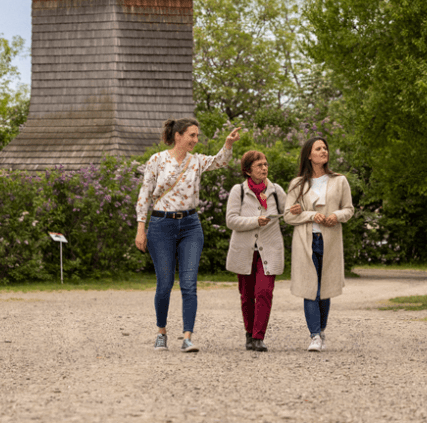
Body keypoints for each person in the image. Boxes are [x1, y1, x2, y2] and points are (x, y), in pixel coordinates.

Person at [135, 118, 241, 353]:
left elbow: (219, 161)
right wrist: (141, 227)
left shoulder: (197, 161)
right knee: (164, 284)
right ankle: (161, 332)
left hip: (191, 226)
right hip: (161, 225)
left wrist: (228, 144)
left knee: (189, 284)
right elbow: (145, 194)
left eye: (197, 136)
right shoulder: (157, 160)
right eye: (192, 135)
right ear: (178, 136)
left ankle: (187, 337)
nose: (195, 140)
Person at [225, 150, 301, 352]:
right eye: (259, 165)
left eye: (266, 164)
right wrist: (254, 221)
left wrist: (294, 211)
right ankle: (249, 334)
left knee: (264, 292)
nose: (264, 168)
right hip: (245, 250)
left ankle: (259, 337)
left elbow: (288, 215)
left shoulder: (275, 190)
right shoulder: (238, 191)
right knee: (246, 295)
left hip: (269, 249)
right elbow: (231, 220)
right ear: (248, 170)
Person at [283, 136, 354, 352]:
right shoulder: (297, 184)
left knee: (325, 289)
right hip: (305, 241)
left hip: (329, 240)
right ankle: (314, 336)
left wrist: (336, 215)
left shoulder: (339, 181)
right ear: (309, 155)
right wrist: (311, 215)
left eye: (325, 148)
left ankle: (321, 329)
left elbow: (349, 209)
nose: (324, 151)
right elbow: (288, 215)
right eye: (318, 148)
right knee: (309, 288)